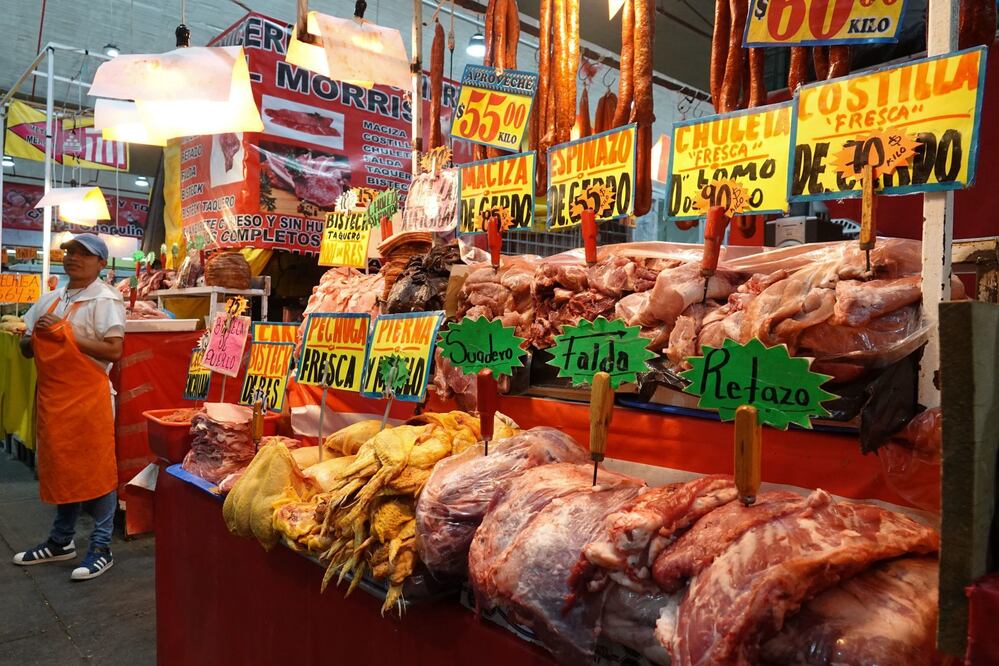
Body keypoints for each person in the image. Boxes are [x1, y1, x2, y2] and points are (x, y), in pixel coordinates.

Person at [12, 233, 126, 581]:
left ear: (101, 263)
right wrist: (32, 339)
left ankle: (102, 546)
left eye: (84, 254)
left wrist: (68, 334)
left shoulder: (105, 298)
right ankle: (61, 541)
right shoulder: (50, 299)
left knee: (97, 470)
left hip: (89, 397)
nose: (74, 258)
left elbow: (113, 351)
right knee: (64, 467)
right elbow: (27, 349)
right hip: (53, 398)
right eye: (70, 252)